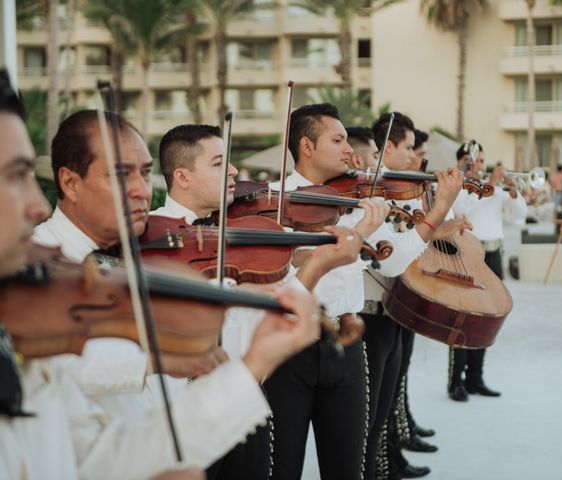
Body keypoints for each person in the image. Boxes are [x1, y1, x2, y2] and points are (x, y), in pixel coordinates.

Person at [15, 105, 324, 478]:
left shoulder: (149, 252)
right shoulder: (31, 277)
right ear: (69, 183)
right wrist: (154, 358)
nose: (140, 190)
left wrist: (256, 360)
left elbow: (122, 449)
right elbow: (73, 367)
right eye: (119, 174)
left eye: (144, 173)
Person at [152, 123, 366, 479]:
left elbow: (277, 306)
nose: (234, 170)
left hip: (246, 402)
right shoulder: (156, 239)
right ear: (182, 177)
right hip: (189, 411)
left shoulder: (242, 231)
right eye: (220, 163)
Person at [263, 104, 463, 480]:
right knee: (282, 468)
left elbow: (393, 262)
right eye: (337, 140)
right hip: (288, 345)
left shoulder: (358, 200)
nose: (348, 151)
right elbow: (282, 275)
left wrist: (440, 209)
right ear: (306, 146)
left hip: (346, 341)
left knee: (349, 467)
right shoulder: (272, 200)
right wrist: (355, 239)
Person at [363, 112, 465, 480]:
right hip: (369, 314)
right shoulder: (369, 190)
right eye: (408, 148)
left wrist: (440, 226)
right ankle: (383, 467)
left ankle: (392, 461)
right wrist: (436, 222)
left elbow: (408, 241)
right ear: (386, 147)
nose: (414, 157)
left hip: (397, 304)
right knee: (374, 413)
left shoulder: (398, 187)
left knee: (390, 399)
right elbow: (390, 252)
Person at [448, 141, 526, 402]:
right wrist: (488, 186)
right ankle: (455, 381)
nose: (481, 166)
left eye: (483, 161)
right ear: (464, 161)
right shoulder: (458, 188)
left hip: (493, 256)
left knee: (487, 317)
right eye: (476, 161)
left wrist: (513, 192)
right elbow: (462, 211)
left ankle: (475, 379)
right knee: (462, 319)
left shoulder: (494, 190)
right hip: (468, 257)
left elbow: (519, 216)